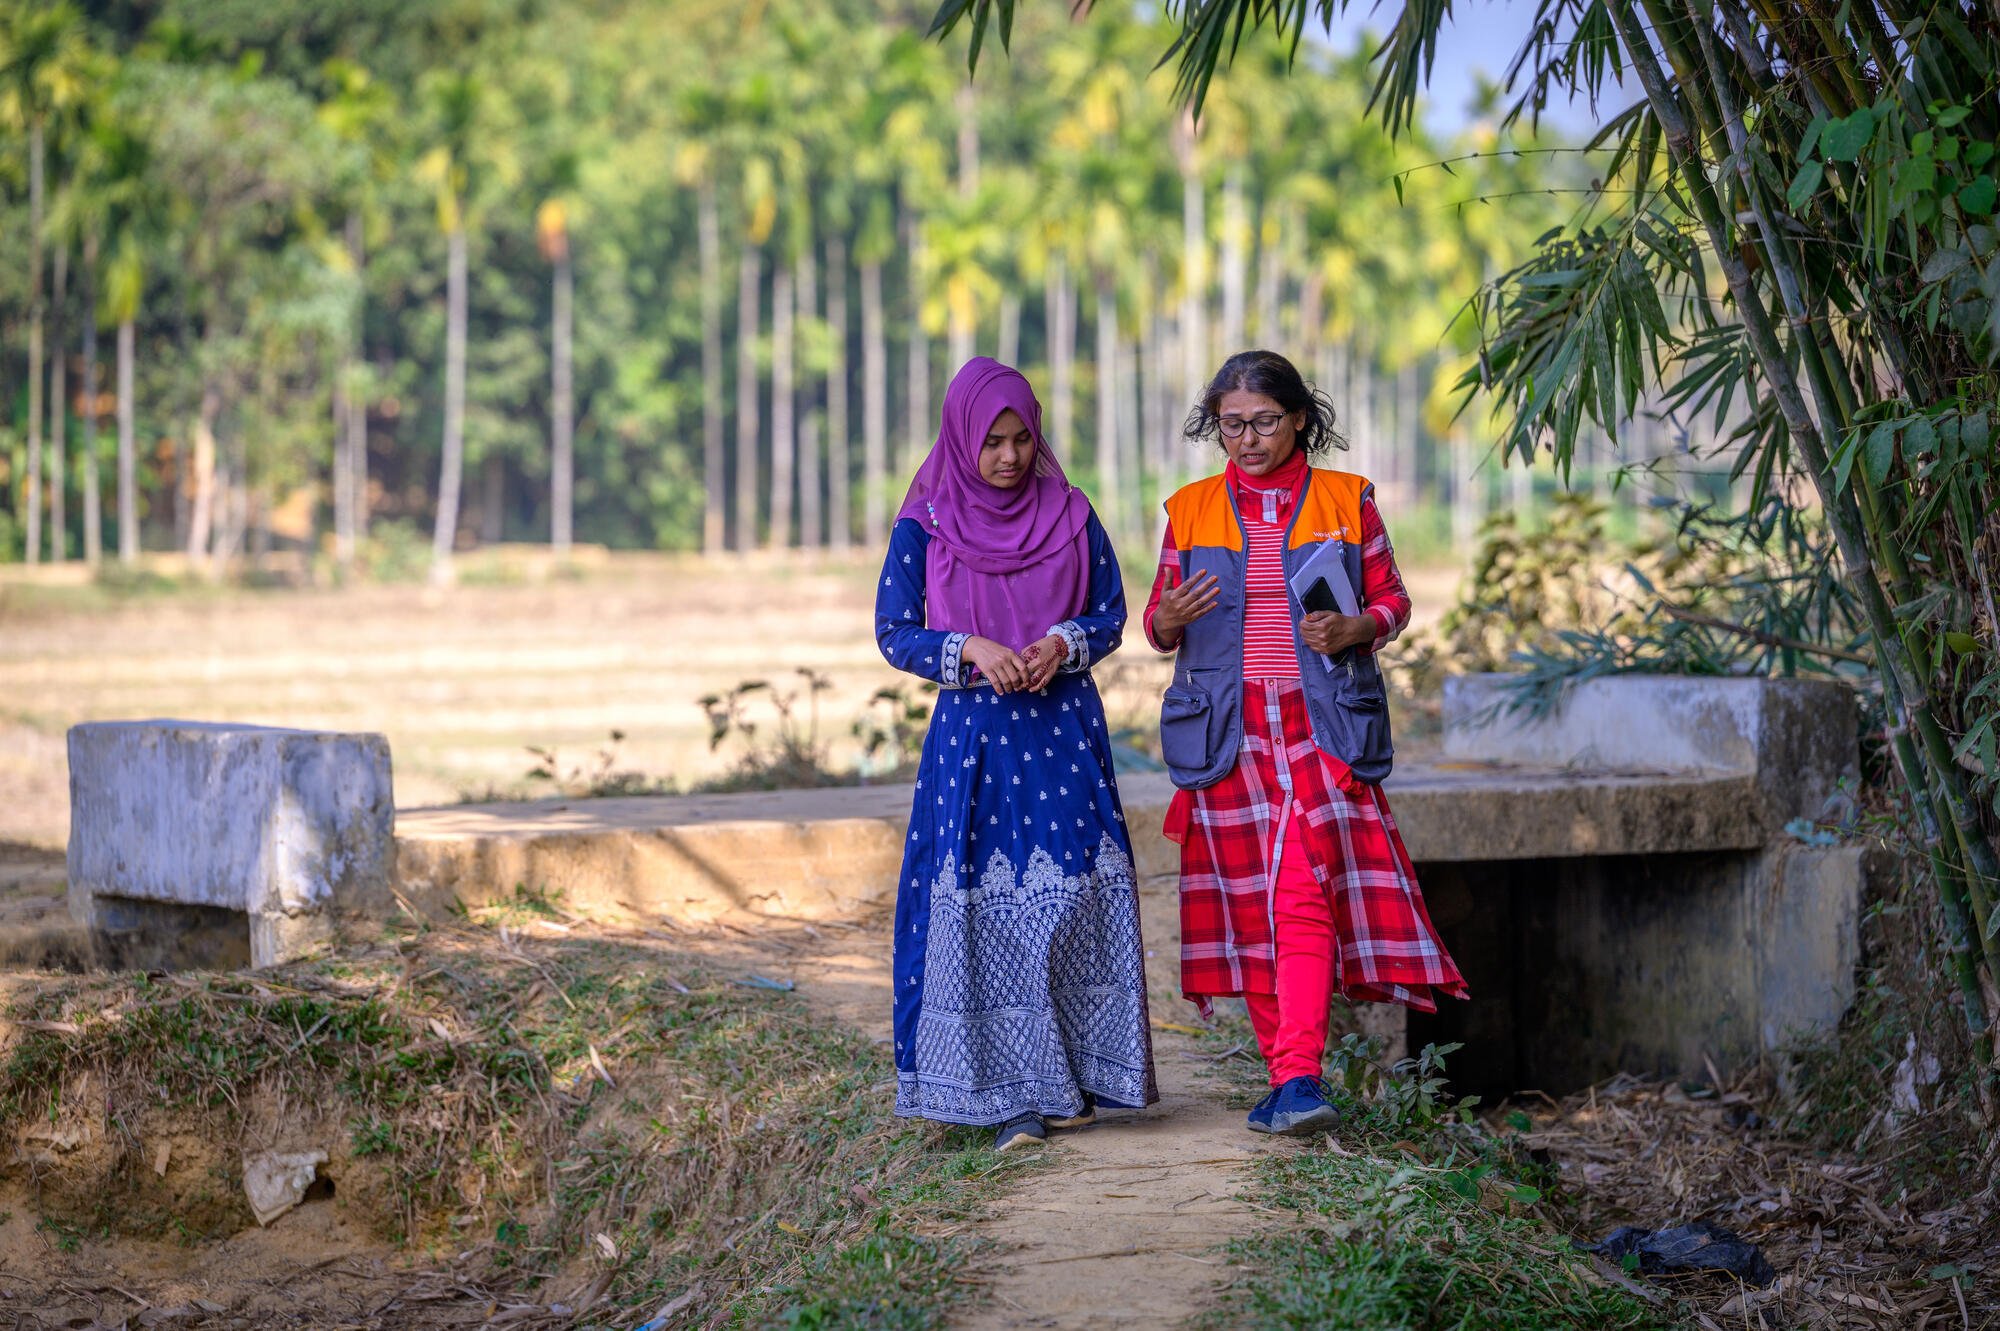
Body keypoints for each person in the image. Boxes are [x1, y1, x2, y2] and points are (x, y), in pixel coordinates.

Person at [1144, 348, 1466, 1136]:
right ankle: (1287, 1079)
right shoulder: (1188, 510)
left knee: (1300, 890)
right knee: (1251, 908)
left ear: (1298, 419)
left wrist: (1358, 626)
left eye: (1262, 422)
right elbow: (1155, 624)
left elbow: (1393, 601)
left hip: (1321, 725)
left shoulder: (1347, 500)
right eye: (1230, 426)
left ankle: (1296, 1074)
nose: (1247, 439)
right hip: (1227, 729)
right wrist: (1171, 620)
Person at [877, 356, 1157, 1151]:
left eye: (1021, 439)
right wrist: (971, 649)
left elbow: (1108, 613)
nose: (1007, 457)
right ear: (963, 441)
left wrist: (1061, 643)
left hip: (1063, 730)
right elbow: (894, 631)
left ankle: (1073, 1079)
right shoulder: (926, 524)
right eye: (992, 442)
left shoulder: (1070, 512)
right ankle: (1008, 1098)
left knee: (1070, 896)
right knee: (985, 911)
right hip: (975, 744)